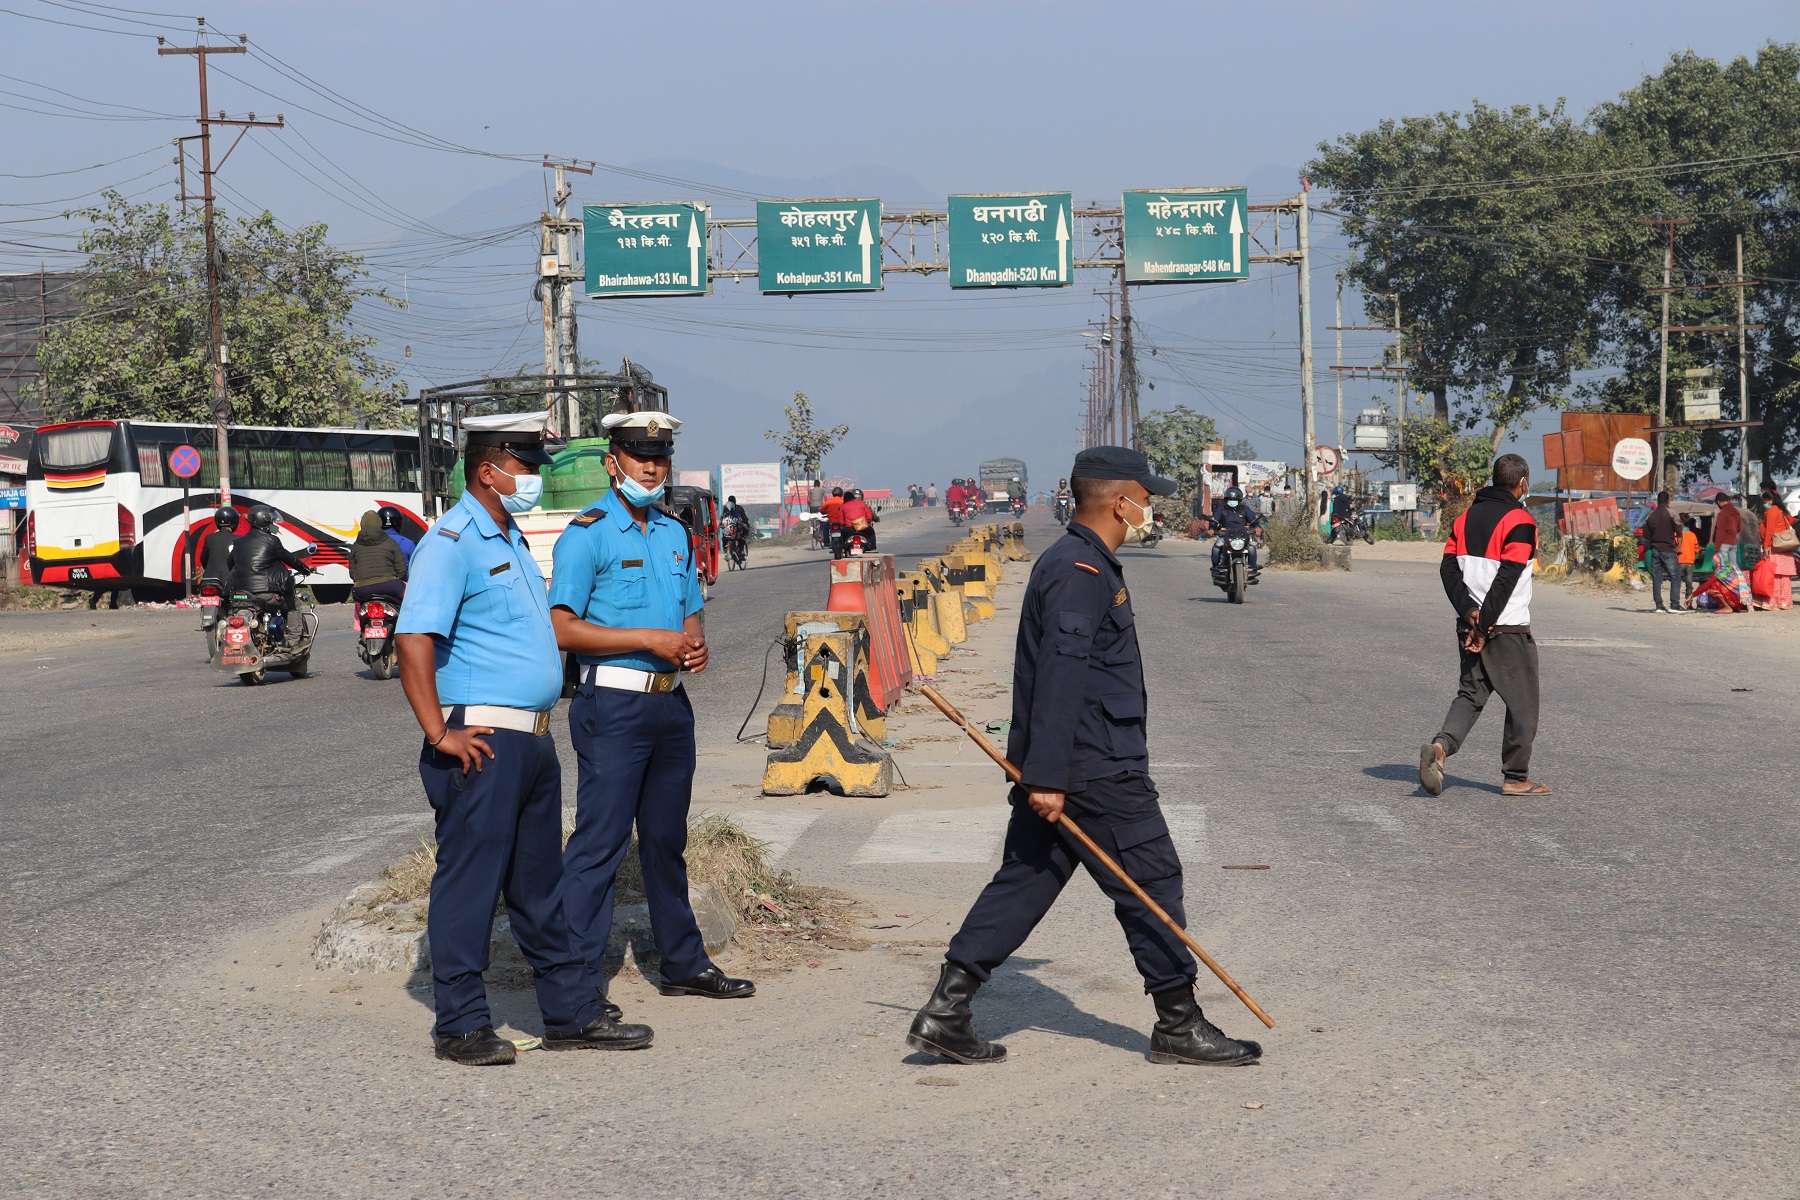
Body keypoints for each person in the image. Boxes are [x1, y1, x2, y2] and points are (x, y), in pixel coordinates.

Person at [907, 445, 1263, 1069]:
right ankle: (1178, 1022)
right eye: (1145, 498)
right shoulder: (1080, 571)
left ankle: (947, 1011)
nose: (1149, 509)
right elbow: (1063, 675)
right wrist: (1046, 777)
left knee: (1024, 882)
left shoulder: (1079, 562)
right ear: (1119, 501)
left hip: (1071, 762)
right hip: (1095, 766)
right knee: (1151, 882)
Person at [394, 410, 639, 1066]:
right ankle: (461, 1026)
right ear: (488, 469)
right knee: (470, 885)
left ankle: (570, 1013)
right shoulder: (452, 541)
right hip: (481, 741)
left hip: (531, 741)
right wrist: (437, 732)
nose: (534, 479)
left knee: (540, 888)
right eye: (526, 468)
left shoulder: (512, 540)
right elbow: (413, 639)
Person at [550, 410, 755, 1019]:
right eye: (642, 457)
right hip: (612, 704)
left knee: (667, 842)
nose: (653, 467)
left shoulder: (673, 533)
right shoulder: (585, 534)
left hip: (670, 706)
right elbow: (564, 628)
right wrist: (649, 638)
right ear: (613, 462)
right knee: (600, 845)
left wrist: (692, 644)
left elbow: (690, 612)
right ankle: (579, 984)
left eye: (661, 458)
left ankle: (683, 964)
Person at [1418, 454, 1548, 798]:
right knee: (1523, 704)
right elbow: (1507, 578)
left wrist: (1468, 613)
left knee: (1471, 694)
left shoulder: (1463, 520)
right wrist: (1485, 625)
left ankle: (1441, 748)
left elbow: (1448, 569)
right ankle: (1516, 776)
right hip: (1506, 627)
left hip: (1471, 622)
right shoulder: (1520, 521)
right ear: (1522, 483)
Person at [227, 505, 312, 629]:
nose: (273, 524)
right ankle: (294, 639)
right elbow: (290, 559)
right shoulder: (272, 541)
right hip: (265, 592)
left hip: (241, 592)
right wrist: (305, 569)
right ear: (264, 521)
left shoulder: (239, 542)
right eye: (272, 522)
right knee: (294, 603)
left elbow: (230, 563)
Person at [349, 510, 408, 602]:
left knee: (359, 604)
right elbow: (402, 569)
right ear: (379, 523)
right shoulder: (390, 542)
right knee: (409, 597)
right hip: (389, 586)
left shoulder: (355, 546)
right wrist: (392, 578)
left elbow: (352, 574)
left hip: (361, 590)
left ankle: (358, 617)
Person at [1208, 485, 1264, 572]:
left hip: (1242, 534)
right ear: (1226, 500)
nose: (1232, 501)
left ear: (1239, 500)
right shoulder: (1221, 509)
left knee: (1252, 547)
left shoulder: (1244, 509)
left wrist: (1257, 527)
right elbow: (1215, 519)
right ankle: (1216, 568)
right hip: (1225, 533)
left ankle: (1252, 568)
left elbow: (1253, 518)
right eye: (1230, 499)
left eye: (1235, 500)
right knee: (1216, 546)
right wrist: (1211, 528)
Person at [1643, 490, 1681, 614]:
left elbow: (1646, 535)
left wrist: (1654, 541)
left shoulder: (1650, 516)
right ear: (1668, 501)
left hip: (1655, 550)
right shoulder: (1672, 513)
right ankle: (1674, 605)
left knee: (1657, 578)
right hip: (1668, 549)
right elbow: (1679, 532)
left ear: (1658, 501)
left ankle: (1659, 605)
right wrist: (1679, 547)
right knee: (1675, 576)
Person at [1761, 494, 1795, 610]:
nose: (1764, 503)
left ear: (1771, 500)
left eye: (1765, 501)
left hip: (1775, 546)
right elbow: (1792, 521)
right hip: (1786, 546)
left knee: (1773, 575)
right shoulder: (1782, 510)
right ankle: (1785, 602)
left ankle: (1773, 602)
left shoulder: (1771, 511)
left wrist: (1765, 547)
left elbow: (1769, 530)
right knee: (1784, 576)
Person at [198, 506, 240, 587]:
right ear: (235, 521)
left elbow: (203, 559)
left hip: (210, 580)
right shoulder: (238, 539)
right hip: (230, 581)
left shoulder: (209, 537)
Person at [1677, 516, 1700, 610]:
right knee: (1689, 585)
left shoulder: (1676, 534)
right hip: (1690, 562)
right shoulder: (1692, 535)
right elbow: (1696, 549)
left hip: (1679, 561)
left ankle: (1675, 603)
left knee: (1677, 583)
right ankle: (1689, 604)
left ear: (1681, 523)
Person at [1714, 494, 1743, 567]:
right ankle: (1737, 578)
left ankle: (1726, 579)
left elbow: (1720, 530)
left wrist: (1717, 547)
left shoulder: (1723, 513)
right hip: (1733, 542)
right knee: (1734, 566)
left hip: (1724, 543)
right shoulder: (1736, 511)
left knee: (1724, 567)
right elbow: (1739, 528)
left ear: (1718, 502)